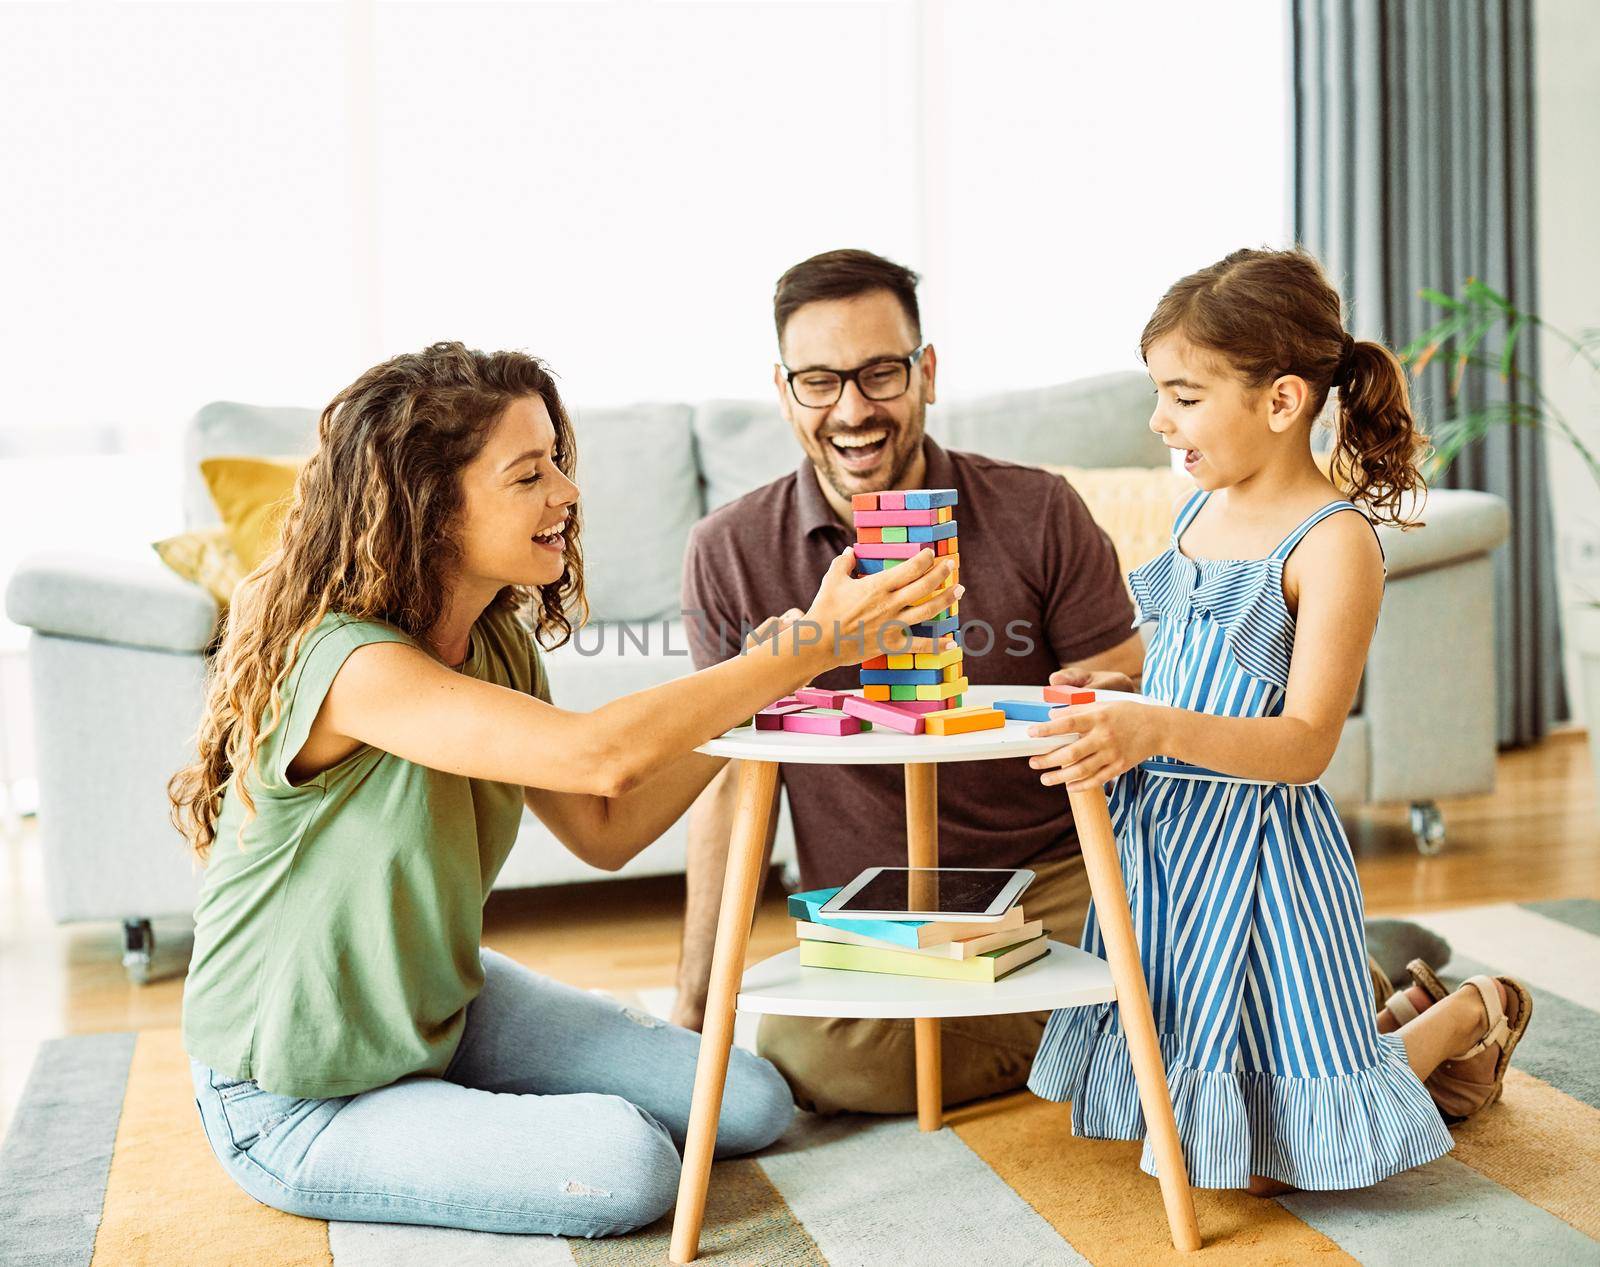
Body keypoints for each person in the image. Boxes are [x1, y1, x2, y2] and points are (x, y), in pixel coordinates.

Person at [169, 342, 959, 1236]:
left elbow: (605, 827)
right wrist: (796, 650)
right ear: (434, 506)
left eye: (558, 462)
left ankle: (445, 1100)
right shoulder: (350, 664)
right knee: (628, 1164)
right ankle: (426, 1121)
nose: (567, 491)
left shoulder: (497, 641)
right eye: (528, 473)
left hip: (438, 1010)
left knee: (748, 1102)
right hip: (293, 1095)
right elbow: (599, 756)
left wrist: (781, 684)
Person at [1025, 248, 1534, 1192]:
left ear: (1281, 400)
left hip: (1260, 862)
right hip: (1165, 848)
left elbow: (1305, 742)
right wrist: (1115, 670)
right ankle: (1385, 1020)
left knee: (1268, 1170)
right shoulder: (1201, 510)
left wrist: (1153, 727)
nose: (1159, 418)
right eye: (1160, 393)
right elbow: (1187, 630)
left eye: (1182, 395)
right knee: (1188, 1110)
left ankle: (1470, 1011)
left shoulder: (1335, 544)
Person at [676, 249, 1147, 1114]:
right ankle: (1125, 1020)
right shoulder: (729, 550)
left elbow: (1126, 671)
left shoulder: (1038, 509)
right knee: (810, 1056)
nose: (852, 410)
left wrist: (1097, 679)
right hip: (880, 912)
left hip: (1050, 878)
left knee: (1184, 921)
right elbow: (732, 780)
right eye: (819, 381)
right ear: (783, 392)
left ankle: (1159, 998)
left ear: (926, 372)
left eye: (881, 373)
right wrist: (693, 1006)